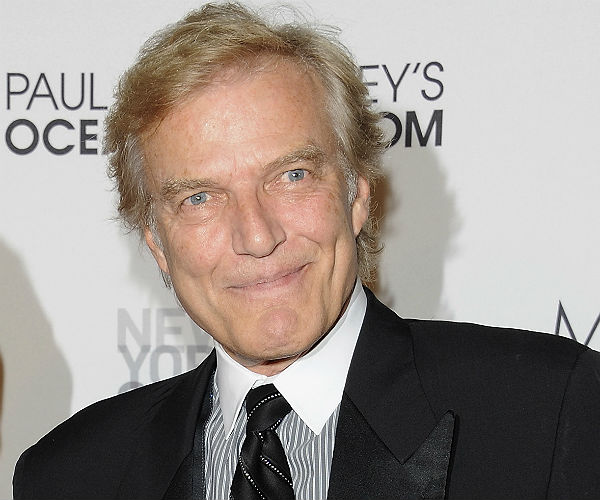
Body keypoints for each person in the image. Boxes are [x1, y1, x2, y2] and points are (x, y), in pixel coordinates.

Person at [13, 2, 600, 499]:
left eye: (291, 176)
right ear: (157, 245)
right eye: (199, 198)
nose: (257, 236)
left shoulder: (547, 416)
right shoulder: (69, 476)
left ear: (357, 193)